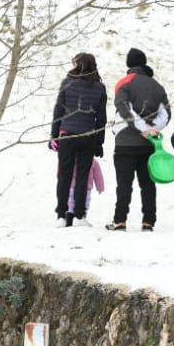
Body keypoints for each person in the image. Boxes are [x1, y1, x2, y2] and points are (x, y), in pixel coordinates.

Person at [109, 47, 171, 232]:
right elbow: (166, 114)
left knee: (124, 184)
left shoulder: (124, 83)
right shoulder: (156, 85)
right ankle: (148, 221)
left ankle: (120, 220)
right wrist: (152, 129)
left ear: (129, 64)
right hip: (147, 145)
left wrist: (142, 128)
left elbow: (123, 107)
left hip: (125, 142)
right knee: (148, 184)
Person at [50, 53, 107, 227]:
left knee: (64, 175)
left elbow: (58, 111)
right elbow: (101, 118)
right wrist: (99, 142)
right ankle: (79, 216)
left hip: (67, 135)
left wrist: (54, 135)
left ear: (78, 64)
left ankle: (61, 215)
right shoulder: (99, 87)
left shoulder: (67, 83)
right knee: (83, 176)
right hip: (87, 136)